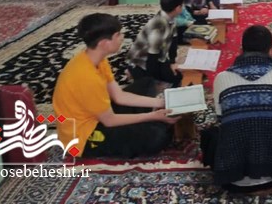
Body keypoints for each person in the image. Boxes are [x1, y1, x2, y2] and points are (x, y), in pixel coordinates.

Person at [53, 13, 180, 158]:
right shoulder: (87, 77)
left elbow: (119, 96)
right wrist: (153, 116)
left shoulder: (96, 59)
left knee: (146, 83)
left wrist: (161, 103)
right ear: (104, 43)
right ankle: (144, 122)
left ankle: (142, 120)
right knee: (158, 136)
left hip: (99, 113)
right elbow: (109, 120)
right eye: (118, 35)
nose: (122, 38)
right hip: (85, 135)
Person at [208, 25, 272, 194]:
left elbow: (220, 119)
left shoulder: (221, 79)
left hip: (233, 178)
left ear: (241, 50)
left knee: (210, 134)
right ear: (271, 51)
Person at [127, 0, 184, 86]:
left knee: (177, 77)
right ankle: (132, 72)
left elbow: (174, 41)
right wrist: (152, 82)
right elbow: (152, 57)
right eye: (182, 5)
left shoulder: (171, 18)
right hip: (141, 61)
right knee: (153, 87)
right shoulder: (158, 27)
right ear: (177, 8)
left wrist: (172, 62)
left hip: (158, 56)